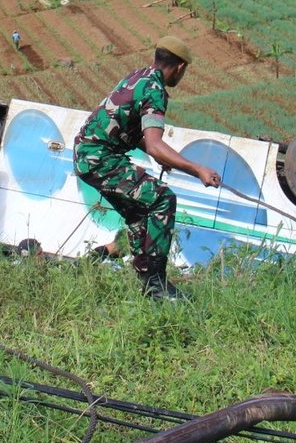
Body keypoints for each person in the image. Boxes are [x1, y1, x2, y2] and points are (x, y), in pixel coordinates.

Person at [73, 36, 221, 301]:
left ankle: (147, 284)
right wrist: (196, 169)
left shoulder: (137, 76)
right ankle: (156, 284)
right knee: (163, 199)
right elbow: (154, 144)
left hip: (89, 154)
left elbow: (133, 133)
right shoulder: (155, 90)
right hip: (100, 158)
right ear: (180, 67)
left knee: (140, 212)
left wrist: (166, 158)